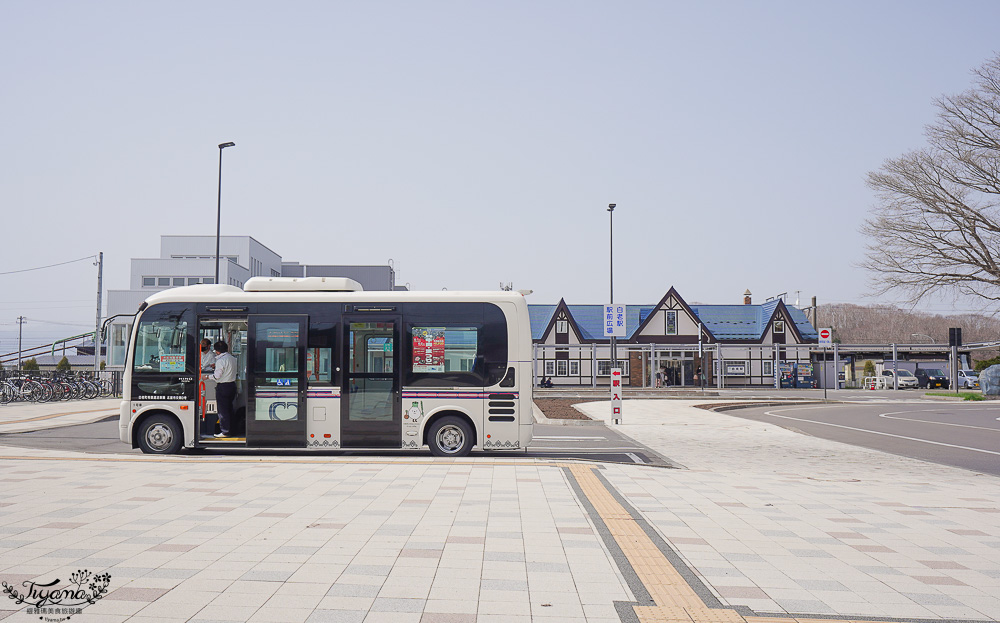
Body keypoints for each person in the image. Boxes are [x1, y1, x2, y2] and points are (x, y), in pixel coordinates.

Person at [212, 340, 237, 438]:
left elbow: (217, 376)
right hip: (232, 385)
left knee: (222, 410)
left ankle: (225, 431)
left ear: (217, 351)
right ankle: (232, 430)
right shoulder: (232, 358)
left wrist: (208, 377)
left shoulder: (220, 360)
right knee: (229, 409)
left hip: (223, 386)